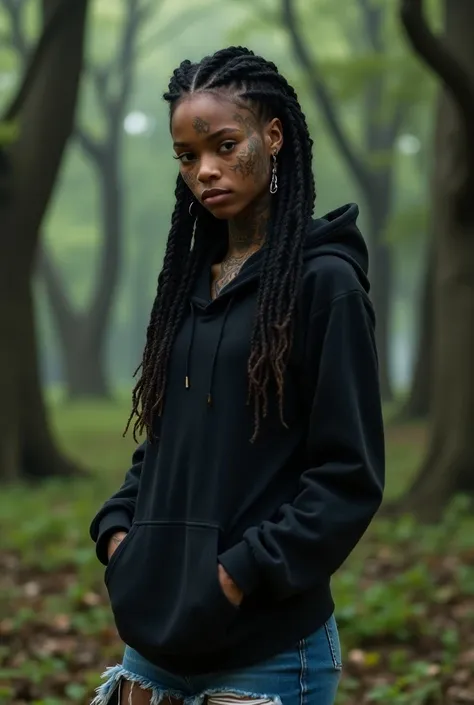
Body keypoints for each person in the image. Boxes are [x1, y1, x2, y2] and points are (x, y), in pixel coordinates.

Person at [89, 46, 385, 705]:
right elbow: (169, 439)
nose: (206, 170)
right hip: (156, 641)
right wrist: (118, 531)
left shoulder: (323, 283)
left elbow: (347, 476)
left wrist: (237, 573)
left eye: (225, 145)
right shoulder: (189, 286)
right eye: (188, 156)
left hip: (267, 651)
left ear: (272, 135)